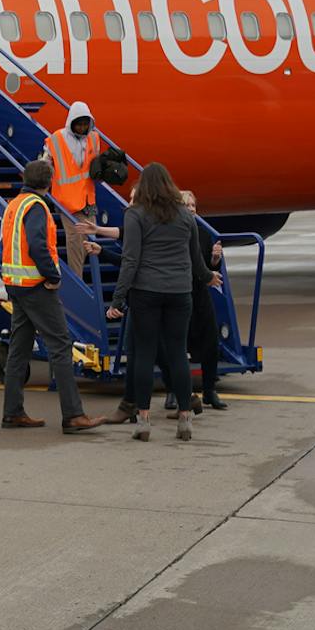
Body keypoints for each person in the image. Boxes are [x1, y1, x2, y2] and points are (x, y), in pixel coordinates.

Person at [0, 159, 105, 434]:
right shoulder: (37, 206)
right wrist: (53, 276)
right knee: (60, 345)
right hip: (36, 286)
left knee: (19, 350)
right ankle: (73, 415)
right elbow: (36, 245)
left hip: (17, 286)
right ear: (49, 183)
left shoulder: (14, 205)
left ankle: (12, 413)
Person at [106, 162, 209, 442]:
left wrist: (118, 299)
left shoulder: (135, 214)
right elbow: (195, 258)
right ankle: (186, 418)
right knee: (177, 353)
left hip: (146, 292)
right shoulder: (186, 217)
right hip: (179, 292)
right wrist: (207, 276)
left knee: (144, 355)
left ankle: (143, 420)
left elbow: (131, 260)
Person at [164, 190, 229, 411]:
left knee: (211, 342)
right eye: (186, 205)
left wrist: (215, 259)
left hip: (200, 294)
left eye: (193, 205)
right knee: (178, 345)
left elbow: (209, 268)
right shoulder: (171, 233)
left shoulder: (203, 233)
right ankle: (173, 390)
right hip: (179, 293)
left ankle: (209, 390)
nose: (191, 209)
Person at [44, 102, 112, 275]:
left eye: (85, 124)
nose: (82, 128)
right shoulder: (57, 139)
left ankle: (83, 280)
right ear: (71, 122)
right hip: (67, 202)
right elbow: (46, 163)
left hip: (88, 199)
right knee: (75, 242)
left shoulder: (94, 138)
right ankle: (78, 281)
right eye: (79, 124)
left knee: (89, 241)